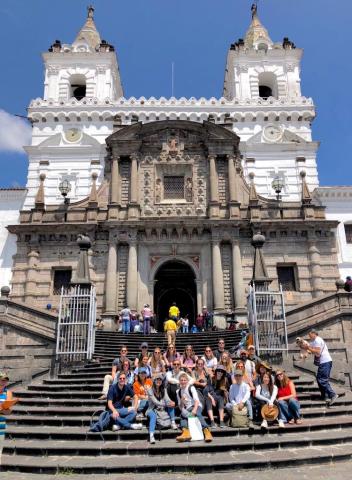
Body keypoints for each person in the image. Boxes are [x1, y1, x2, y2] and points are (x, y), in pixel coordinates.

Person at [302, 329, 338, 406]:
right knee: (319, 378)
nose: (309, 336)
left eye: (310, 334)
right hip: (324, 362)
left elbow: (317, 352)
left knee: (322, 379)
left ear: (314, 334)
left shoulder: (318, 340)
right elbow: (311, 349)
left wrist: (307, 348)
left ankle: (332, 395)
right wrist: (306, 348)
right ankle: (324, 396)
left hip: (325, 362)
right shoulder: (315, 341)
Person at [176, 373, 213, 443]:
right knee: (182, 416)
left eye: (184, 380)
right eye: (181, 380)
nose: (183, 382)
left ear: (187, 381)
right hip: (187, 408)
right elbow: (180, 406)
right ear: (179, 381)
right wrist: (181, 401)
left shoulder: (191, 387)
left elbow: (196, 401)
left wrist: (194, 410)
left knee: (197, 413)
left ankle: (207, 432)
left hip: (196, 406)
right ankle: (186, 433)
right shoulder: (178, 392)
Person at [146, 374, 177, 443]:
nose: (158, 381)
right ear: (154, 381)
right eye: (157, 379)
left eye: (160, 380)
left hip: (162, 409)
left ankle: (173, 422)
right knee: (153, 416)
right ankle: (151, 436)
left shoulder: (164, 389)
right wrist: (167, 404)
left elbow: (167, 399)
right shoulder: (150, 390)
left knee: (171, 405)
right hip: (152, 409)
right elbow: (155, 402)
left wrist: (172, 402)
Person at [0, 372, 14, 459]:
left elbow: (9, 412)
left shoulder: (8, 393)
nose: (4, 382)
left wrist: (3, 409)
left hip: (1, 424)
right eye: (2, 380)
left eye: (5, 381)